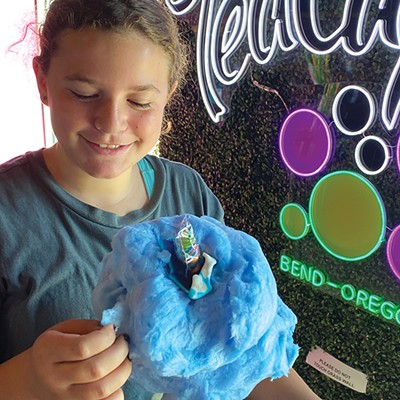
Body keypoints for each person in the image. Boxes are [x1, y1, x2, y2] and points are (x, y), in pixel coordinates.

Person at [0, 0, 320, 399]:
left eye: (139, 102)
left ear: (167, 94)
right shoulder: (9, 218)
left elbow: (241, 358)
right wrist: (26, 381)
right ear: (43, 82)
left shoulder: (189, 195)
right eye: (84, 93)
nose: (111, 123)